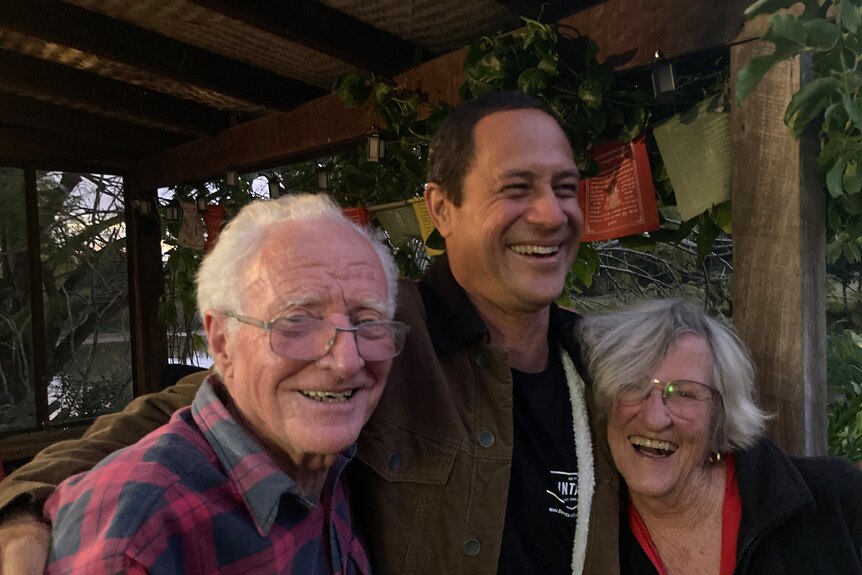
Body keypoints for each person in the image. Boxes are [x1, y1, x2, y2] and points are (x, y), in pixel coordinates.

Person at [0, 91, 619, 574]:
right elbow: (184, 418)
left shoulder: (605, 365)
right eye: (516, 188)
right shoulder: (376, 334)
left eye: (565, 188)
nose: (549, 213)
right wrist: (25, 512)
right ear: (440, 209)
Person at [44, 193, 408, 573]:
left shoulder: (338, 466)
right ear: (221, 343)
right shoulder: (137, 539)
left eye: (368, 322)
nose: (347, 361)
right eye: (298, 321)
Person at [578, 298, 862, 575]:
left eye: (684, 393)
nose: (655, 418)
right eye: (632, 387)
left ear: (721, 419)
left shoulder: (835, 499)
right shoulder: (579, 532)